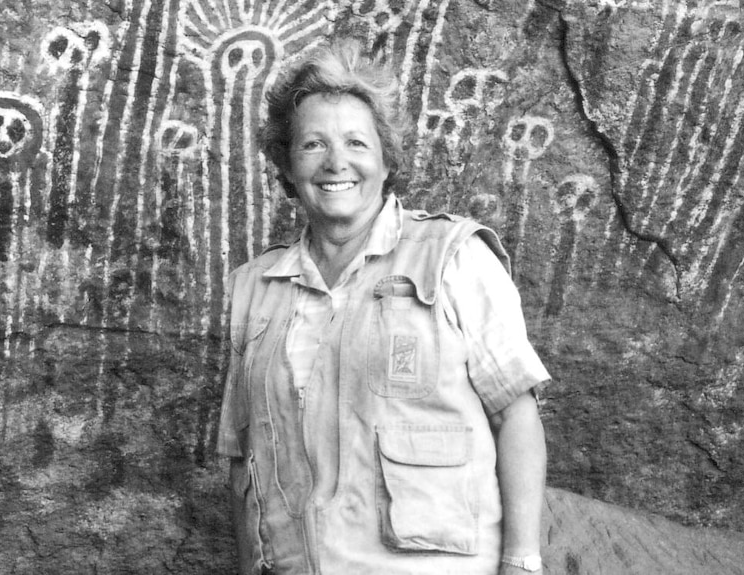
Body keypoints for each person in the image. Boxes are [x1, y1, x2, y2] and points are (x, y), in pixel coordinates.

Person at [216, 37, 551, 575]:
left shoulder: (453, 259)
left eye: (356, 143)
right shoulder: (256, 287)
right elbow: (242, 462)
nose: (335, 163)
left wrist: (522, 563)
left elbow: (516, 415)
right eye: (312, 145)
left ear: (385, 158)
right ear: (286, 164)